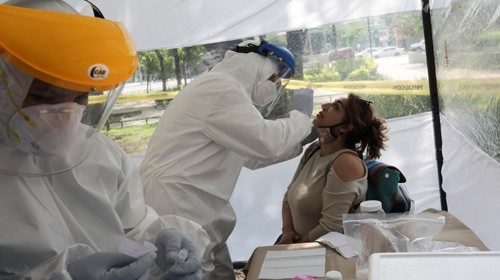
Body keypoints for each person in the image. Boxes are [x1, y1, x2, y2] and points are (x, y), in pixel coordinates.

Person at [0, 1, 204, 279]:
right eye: (47, 97)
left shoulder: (102, 154)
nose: (66, 115)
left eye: (81, 96)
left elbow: (130, 229)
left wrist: (158, 240)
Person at [140, 40, 315, 279]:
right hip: (178, 207)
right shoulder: (221, 88)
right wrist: (302, 119)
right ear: (255, 64)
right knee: (190, 272)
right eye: (274, 78)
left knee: (218, 272)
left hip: (196, 207)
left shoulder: (224, 90)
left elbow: (249, 156)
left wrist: (301, 140)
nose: (274, 87)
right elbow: (265, 142)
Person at [277, 94, 388, 244]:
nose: (324, 106)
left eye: (335, 107)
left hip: (322, 253)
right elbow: (287, 197)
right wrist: (287, 232)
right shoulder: (314, 150)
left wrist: (294, 246)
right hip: (297, 244)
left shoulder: (346, 163)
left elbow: (331, 227)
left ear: (346, 127)